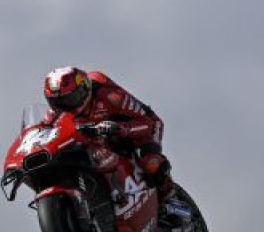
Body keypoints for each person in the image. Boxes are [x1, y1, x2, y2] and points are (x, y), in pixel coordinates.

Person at [42, 66, 178, 213]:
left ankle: (172, 202)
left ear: (84, 89)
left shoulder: (110, 96)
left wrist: (121, 128)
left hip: (140, 128)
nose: (65, 106)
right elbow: (44, 132)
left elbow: (148, 122)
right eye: (57, 102)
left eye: (69, 99)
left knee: (151, 164)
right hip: (102, 139)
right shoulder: (56, 113)